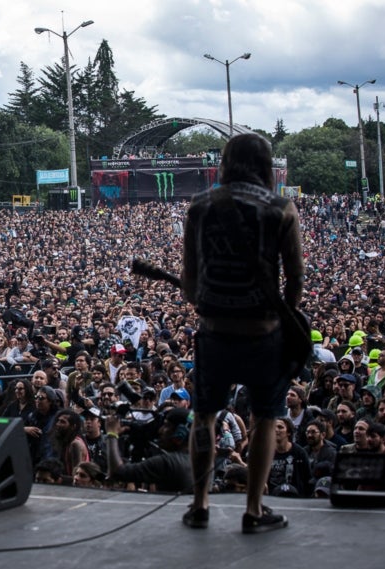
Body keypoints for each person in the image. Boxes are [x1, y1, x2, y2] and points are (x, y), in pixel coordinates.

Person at [181, 133, 303, 533]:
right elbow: (295, 282)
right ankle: (254, 509)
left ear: (226, 162)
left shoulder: (200, 207)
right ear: (266, 165)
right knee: (266, 417)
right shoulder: (281, 209)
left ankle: (200, 503)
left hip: (214, 332)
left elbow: (189, 281)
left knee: (204, 417)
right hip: (263, 332)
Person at [104, 406, 193, 493]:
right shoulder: (200, 461)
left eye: (166, 426)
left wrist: (112, 433)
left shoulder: (167, 463)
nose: (160, 430)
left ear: (180, 433)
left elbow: (117, 472)